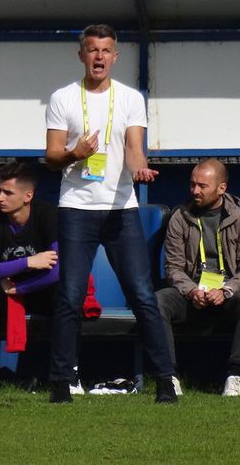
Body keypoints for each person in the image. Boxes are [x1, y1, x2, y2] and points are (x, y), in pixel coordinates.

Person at [44, 23, 177, 404]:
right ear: (81, 55)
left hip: (121, 208)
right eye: (92, 50)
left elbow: (134, 147)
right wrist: (75, 154)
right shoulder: (63, 98)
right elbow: (51, 156)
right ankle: (60, 382)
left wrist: (139, 169)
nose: (99, 56)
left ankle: (166, 380)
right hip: (76, 208)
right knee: (69, 295)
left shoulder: (131, 98)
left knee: (142, 294)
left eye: (105, 50)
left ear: (115, 57)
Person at [155, 158, 240, 397]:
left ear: (221, 188)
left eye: (202, 186)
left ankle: (235, 376)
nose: (195, 191)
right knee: (158, 301)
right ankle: (168, 376)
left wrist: (225, 290)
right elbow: (173, 268)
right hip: (192, 294)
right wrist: (192, 291)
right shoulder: (180, 218)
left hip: (228, 295)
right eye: (192, 184)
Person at [0, 162, 59, 395]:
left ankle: (68, 374)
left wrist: (21, 288)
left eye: (8, 192)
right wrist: (27, 262)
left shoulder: (47, 215)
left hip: (36, 288)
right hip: (3, 290)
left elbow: (57, 271)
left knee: (66, 293)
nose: (0, 198)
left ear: (28, 196)